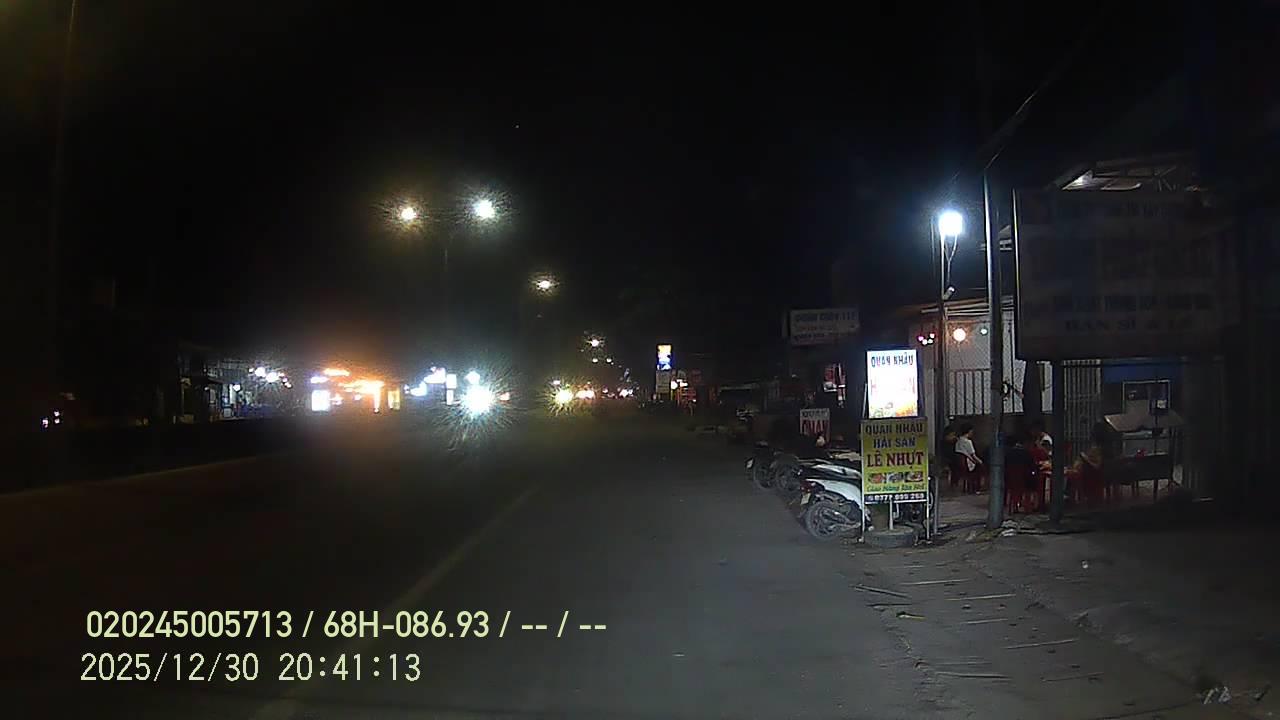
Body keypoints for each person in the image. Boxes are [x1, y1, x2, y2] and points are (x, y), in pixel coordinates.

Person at [954, 423, 983, 492]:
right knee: (981, 468)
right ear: (969, 431)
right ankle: (976, 487)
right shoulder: (968, 442)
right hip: (968, 464)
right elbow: (973, 455)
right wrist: (980, 462)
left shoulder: (958, 441)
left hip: (960, 463)